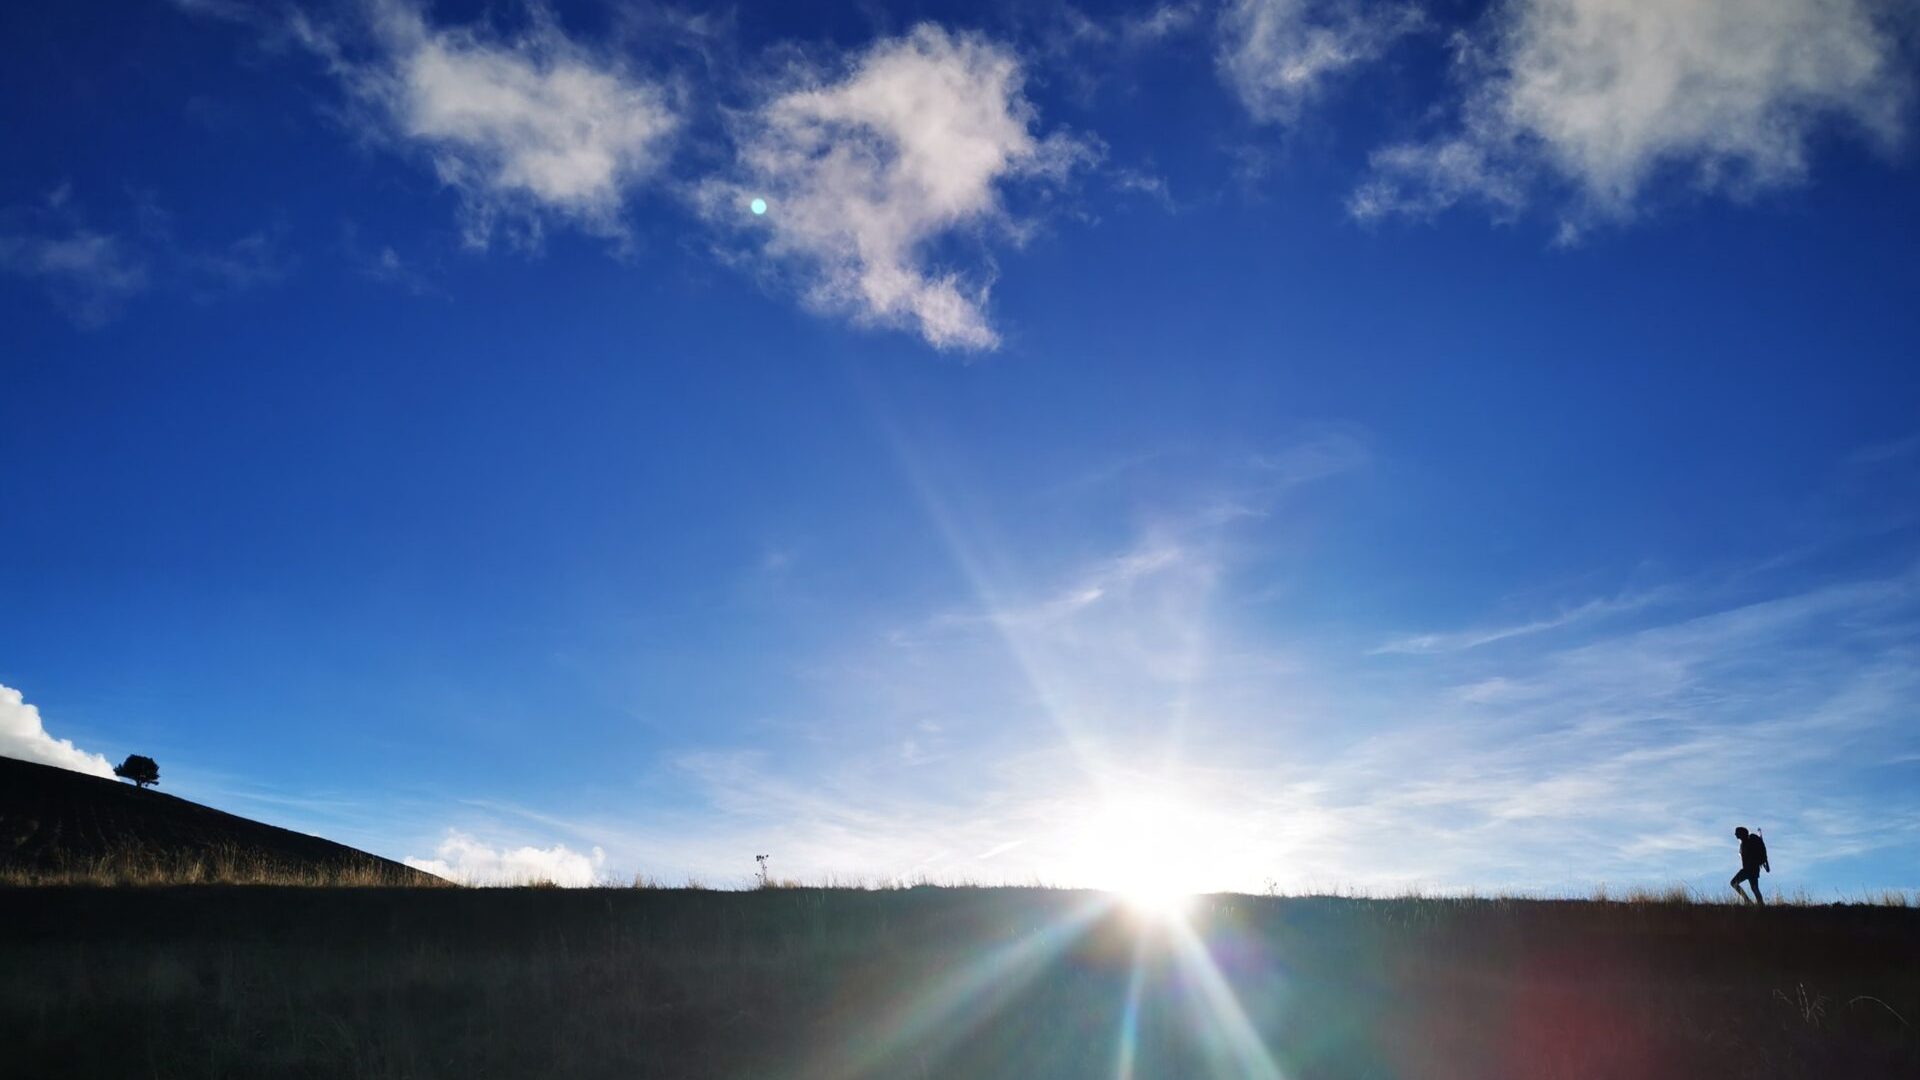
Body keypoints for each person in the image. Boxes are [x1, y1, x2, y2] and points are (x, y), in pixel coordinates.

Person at [1730, 826, 1769, 905]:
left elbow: (1757, 854)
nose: (1735, 834)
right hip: (1751, 869)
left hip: (1750, 869)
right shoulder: (1743, 844)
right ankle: (1759, 904)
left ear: (1741, 833)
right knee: (1754, 888)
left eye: (1737, 833)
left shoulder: (1750, 842)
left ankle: (1750, 902)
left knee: (1734, 883)